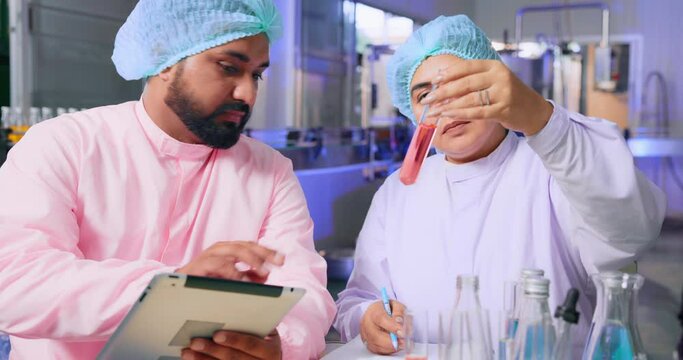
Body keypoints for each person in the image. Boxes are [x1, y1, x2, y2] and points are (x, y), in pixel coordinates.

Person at [0, 0, 335, 359]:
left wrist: (280, 345)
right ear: (166, 58)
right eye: (228, 68)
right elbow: (15, 283)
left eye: (256, 74)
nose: (248, 94)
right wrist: (173, 289)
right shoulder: (64, 145)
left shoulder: (271, 172)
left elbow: (304, 289)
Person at [334, 14, 666, 355]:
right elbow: (358, 299)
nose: (445, 104)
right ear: (412, 113)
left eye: (459, 86)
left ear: (496, 86)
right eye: (425, 96)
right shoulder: (398, 192)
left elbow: (632, 229)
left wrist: (541, 119)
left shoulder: (553, 167)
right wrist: (367, 317)